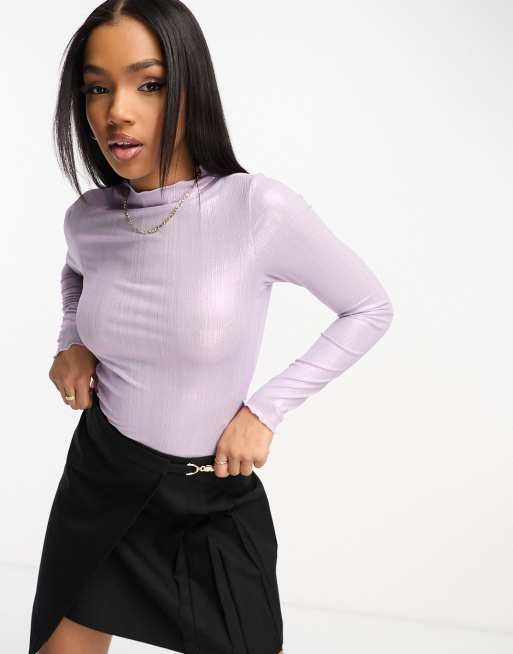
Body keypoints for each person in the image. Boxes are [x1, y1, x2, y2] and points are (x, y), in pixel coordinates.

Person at [28, 1, 394, 653]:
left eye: (148, 84)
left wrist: (265, 410)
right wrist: (71, 341)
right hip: (102, 477)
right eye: (97, 88)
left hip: (209, 496)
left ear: (190, 88)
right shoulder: (89, 218)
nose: (117, 112)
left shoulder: (256, 208)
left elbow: (367, 307)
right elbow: (75, 274)